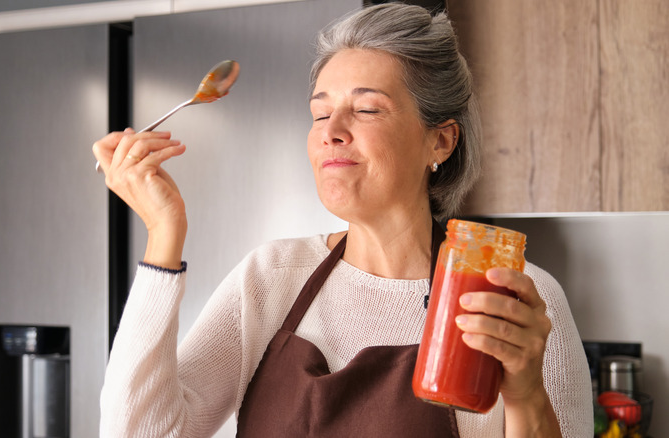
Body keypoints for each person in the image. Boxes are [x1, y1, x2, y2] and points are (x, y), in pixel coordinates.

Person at [93, 3, 593, 437]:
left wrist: (527, 395)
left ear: (440, 141)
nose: (331, 132)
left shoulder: (512, 298)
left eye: (368, 109)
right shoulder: (271, 279)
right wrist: (164, 233)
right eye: (319, 113)